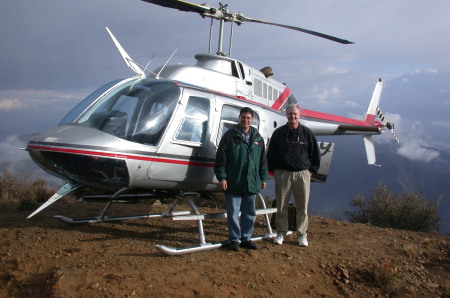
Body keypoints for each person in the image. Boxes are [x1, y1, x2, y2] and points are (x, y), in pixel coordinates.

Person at [215, 107, 268, 251]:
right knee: (233, 213)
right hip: (234, 181)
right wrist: (222, 178)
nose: (246, 120)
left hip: (251, 182)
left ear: (252, 120)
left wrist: (263, 178)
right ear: (239, 118)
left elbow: (263, 160)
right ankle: (234, 239)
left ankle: (246, 238)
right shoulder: (229, 136)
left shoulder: (258, 138)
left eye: (249, 118)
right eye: (243, 117)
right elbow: (221, 159)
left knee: (249, 212)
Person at [267, 103, 320, 247]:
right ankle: (281, 233)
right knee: (281, 206)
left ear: (299, 115)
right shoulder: (278, 133)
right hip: (283, 174)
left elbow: (315, 153)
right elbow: (271, 153)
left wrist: (311, 171)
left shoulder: (307, 133)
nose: (292, 116)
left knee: (302, 207)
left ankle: (302, 235)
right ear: (286, 115)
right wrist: (275, 171)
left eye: (295, 114)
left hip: (302, 174)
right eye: (290, 114)